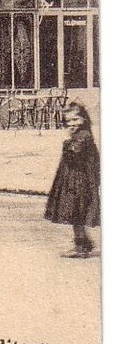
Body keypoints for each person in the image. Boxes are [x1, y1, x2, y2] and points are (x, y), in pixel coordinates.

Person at [46, 102, 100, 258]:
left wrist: (67, 141)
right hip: (74, 179)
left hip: (79, 181)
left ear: (84, 119)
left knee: (76, 212)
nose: (72, 124)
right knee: (75, 213)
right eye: (69, 121)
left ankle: (81, 246)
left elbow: (74, 151)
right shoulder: (80, 135)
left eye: (75, 119)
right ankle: (83, 242)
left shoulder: (84, 135)